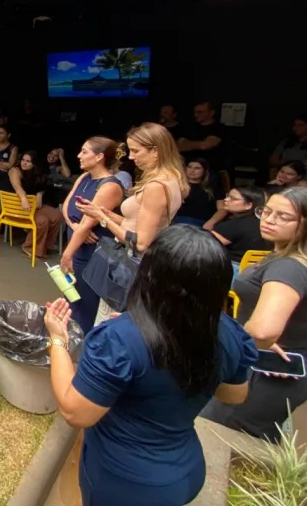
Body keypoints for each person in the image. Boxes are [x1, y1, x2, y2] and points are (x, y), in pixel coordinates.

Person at [44, 225, 257, 506]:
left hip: (123, 483)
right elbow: (234, 394)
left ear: (150, 274)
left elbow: (75, 412)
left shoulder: (119, 341)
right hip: (186, 471)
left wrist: (58, 340)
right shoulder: (229, 332)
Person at [202, 187, 307, 442]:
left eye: (284, 216)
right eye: (267, 211)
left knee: (220, 439)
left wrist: (241, 339)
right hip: (271, 368)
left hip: (263, 373)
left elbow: (262, 330)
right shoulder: (285, 256)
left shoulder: (289, 267)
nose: (269, 220)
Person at [76, 123, 187, 323]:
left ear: (156, 151)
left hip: (132, 265)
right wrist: (103, 212)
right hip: (149, 262)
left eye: (136, 151)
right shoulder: (172, 179)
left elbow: (140, 241)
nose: (131, 157)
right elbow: (135, 222)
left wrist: (102, 218)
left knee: (108, 322)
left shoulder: (155, 186)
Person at [60, 138, 125, 333]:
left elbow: (88, 223)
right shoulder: (84, 177)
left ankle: (83, 348)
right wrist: (75, 225)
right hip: (76, 240)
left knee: (86, 303)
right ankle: (67, 341)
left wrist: (67, 254)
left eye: (84, 151)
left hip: (91, 253)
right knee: (70, 297)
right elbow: (67, 205)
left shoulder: (109, 186)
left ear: (99, 157)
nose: (79, 155)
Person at [9, 151, 63, 260]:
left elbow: (41, 186)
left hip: (33, 206)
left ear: (34, 163)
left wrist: (39, 195)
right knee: (43, 220)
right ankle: (28, 247)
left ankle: (44, 246)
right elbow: (17, 186)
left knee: (57, 215)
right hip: (17, 205)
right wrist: (24, 199)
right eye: (23, 160)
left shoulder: (38, 173)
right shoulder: (15, 170)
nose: (24, 163)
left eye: (28, 161)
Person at [206, 186, 269, 275]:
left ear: (248, 205)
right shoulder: (266, 223)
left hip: (235, 271)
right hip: (261, 272)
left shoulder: (235, 225)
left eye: (233, 198)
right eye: (227, 196)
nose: (226, 199)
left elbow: (205, 245)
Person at [178, 101, 228, 195]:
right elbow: (179, 146)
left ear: (211, 113)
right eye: (195, 112)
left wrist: (189, 144)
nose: (196, 115)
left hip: (210, 172)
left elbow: (205, 145)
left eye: (200, 112)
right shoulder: (189, 128)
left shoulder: (219, 128)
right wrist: (199, 144)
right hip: (187, 171)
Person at [173, 159, 219, 226]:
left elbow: (222, 209)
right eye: (189, 167)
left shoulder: (212, 188)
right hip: (179, 221)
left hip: (204, 223)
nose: (192, 171)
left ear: (205, 171)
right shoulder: (177, 185)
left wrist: (211, 222)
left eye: (197, 168)